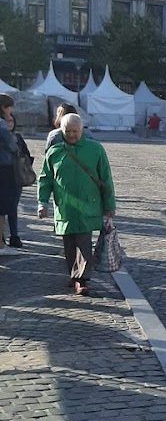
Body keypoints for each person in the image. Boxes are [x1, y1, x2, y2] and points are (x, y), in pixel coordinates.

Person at [37, 113, 117, 295]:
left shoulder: (95, 149)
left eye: (75, 131)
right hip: (65, 207)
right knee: (69, 244)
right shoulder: (54, 152)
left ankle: (83, 279)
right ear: (61, 130)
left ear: (82, 130)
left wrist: (109, 205)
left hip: (88, 206)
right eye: (68, 131)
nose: (72, 134)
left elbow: (106, 178)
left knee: (84, 243)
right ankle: (74, 275)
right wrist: (42, 203)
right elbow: (45, 179)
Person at [3, 109, 31, 247]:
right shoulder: (5, 138)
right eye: (7, 121)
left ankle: (14, 236)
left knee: (13, 207)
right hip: (5, 174)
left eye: (11, 121)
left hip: (16, 176)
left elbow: (26, 154)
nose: (9, 124)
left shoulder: (18, 137)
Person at [0, 95, 20, 251]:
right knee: (4, 207)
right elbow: (12, 146)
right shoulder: (1, 124)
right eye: (9, 107)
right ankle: (0, 243)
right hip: (4, 166)